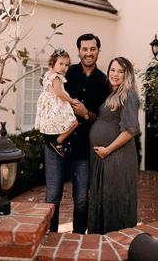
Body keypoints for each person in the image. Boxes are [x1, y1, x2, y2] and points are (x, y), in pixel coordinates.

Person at [44, 33, 109, 233]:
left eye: (92, 49)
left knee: (81, 199)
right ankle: (50, 239)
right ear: (79, 51)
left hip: (82, 148)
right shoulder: (65, 72)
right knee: (52, 198)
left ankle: (78, 240)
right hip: (55, 144)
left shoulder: (103, 81)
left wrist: (86, 114)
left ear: (98, 51)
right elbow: (49, 93)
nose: (88, 53)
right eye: (84, 49)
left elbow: (102, 118)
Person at [88, 56, 140, 234]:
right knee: (104, 200)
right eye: (112, 70)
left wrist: (107, 150)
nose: (115, 74)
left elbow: (129, 130)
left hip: (117, 157)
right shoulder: (112, 93)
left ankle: (117, 246)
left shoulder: (128, 95)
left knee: (115, 201)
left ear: (127, 75)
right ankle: (102, 243)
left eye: (120, 71)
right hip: (105, 157)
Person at [35, 49, 78, 158]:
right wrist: (72, 100)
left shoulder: (48, 74)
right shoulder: (56, 77)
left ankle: (56, 140)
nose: (64, 67)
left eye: (67, 65)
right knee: (74, 123)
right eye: (61, 64)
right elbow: (59, 93)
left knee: (55, 125)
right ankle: (58, 140)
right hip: (55, 105)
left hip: (48, 106)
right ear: (52, 64)